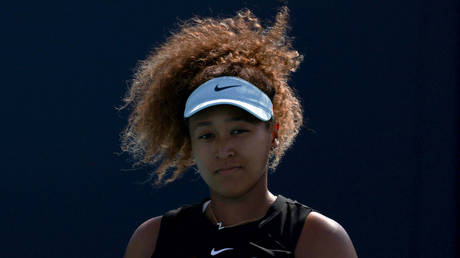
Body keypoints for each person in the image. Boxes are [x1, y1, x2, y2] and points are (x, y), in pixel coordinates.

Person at [121, 6, 357, 258]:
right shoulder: (151, 241)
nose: (224, 150)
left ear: (273, 134)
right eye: (207, 135)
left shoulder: (319, 240)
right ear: (191, 144)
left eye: (238, 130)